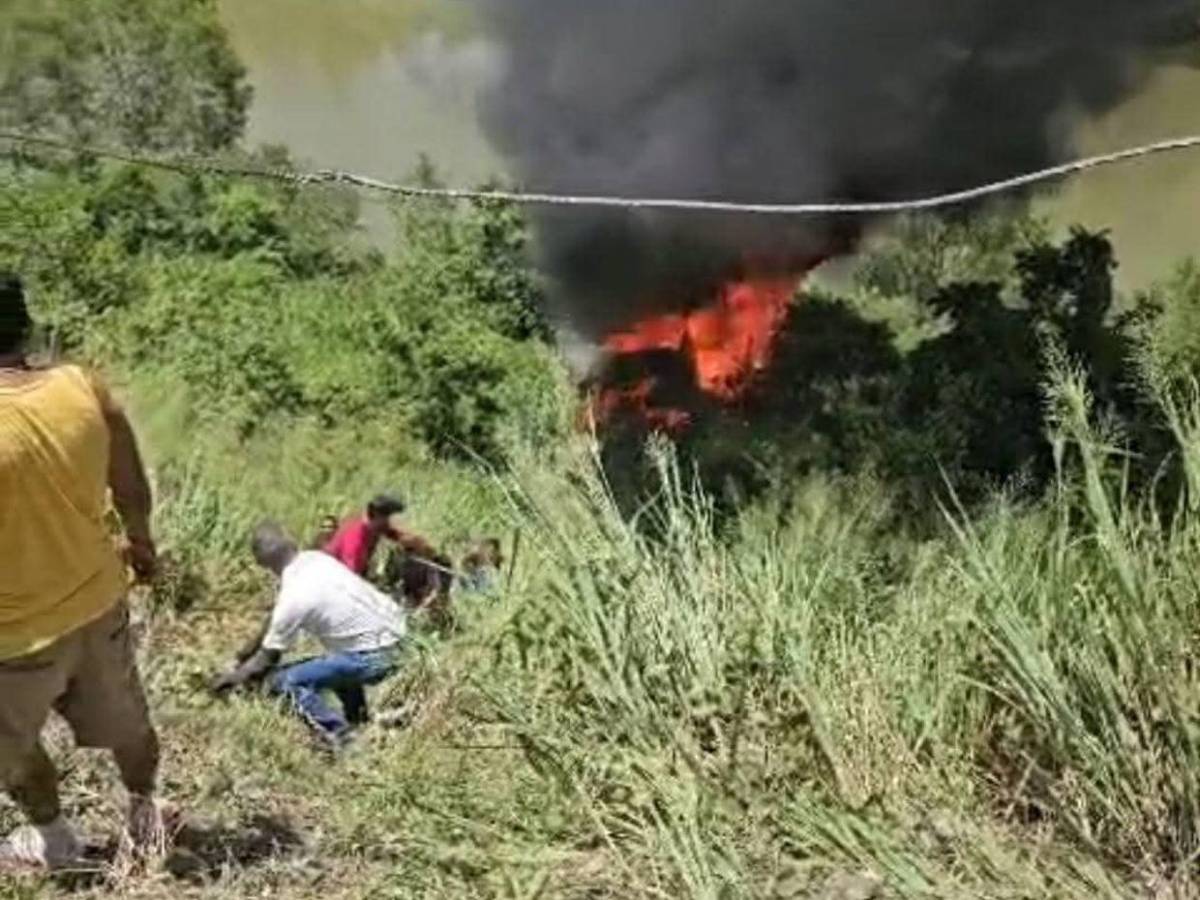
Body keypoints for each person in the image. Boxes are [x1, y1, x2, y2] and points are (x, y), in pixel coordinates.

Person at [0, 272, 166, 872]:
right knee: (127, 720)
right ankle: (147, 815)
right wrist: (142, 542)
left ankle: (55, 840)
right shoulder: (81, 386)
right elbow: (129, 482)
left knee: (12, 751)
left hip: (12, 640)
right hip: (98, 605)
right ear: (23, 325)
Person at [211, 522, 406, 749]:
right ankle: (358, 722)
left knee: (282, 682)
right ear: (291, 543)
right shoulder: (317, 560)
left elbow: (266, 661)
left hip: (376, 657)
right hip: (404, 640)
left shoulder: (294, 597)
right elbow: (274, 619)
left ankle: (343, 738)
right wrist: (242, 655)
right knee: (336, 660)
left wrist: (231, 680)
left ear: (263, 563)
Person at [323, 494, 439, 582]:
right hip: (332, 579)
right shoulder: (356, 539)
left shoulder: (374, 527)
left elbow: (401, 537)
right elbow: (350, 579)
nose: (388, 522)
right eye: (386, 517)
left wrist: (429, 552)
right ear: (376, 515)